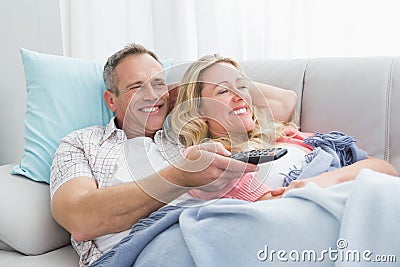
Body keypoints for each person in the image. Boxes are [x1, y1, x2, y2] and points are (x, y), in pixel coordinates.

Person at [49, 43, 298, 266]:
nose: (151, 95)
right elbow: (79, 219)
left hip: (207, 227)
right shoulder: (81, 143)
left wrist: (192, 87)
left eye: (158, 83)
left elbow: (285, 104)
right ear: (111, 101)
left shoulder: (185, 127)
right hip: (140, 250)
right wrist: (180, 176)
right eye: (136, 87)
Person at [155, 54, 397, 200]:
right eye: (223, 91)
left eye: (242, 87)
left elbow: (383, 168)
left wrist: (321, 182)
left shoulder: (291, 137)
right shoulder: (206, 161)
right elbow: (265, 203)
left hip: (347, 197)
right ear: (198, 110)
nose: (240, 96)